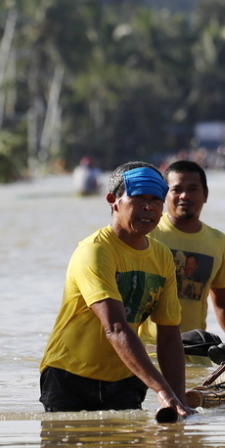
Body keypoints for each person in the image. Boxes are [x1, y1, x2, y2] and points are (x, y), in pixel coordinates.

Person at [39, 162, 194, 416]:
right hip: (70, 376)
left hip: (126, 378)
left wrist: (179, 400)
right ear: (113, 200)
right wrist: (162, 390)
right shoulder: (95, 251)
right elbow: (115, 328)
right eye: (139, 198)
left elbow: (168, 335)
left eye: (156, 199)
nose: (149, 207)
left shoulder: (162, 256)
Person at [138, 160, 225, 355]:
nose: (185, 196)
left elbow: (224, 303)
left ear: (205, 195)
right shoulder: (148, 234)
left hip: (197, 354)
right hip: (151, 353)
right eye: (177, 189)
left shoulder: (218, 241)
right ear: (164, 195)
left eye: (193, 189)